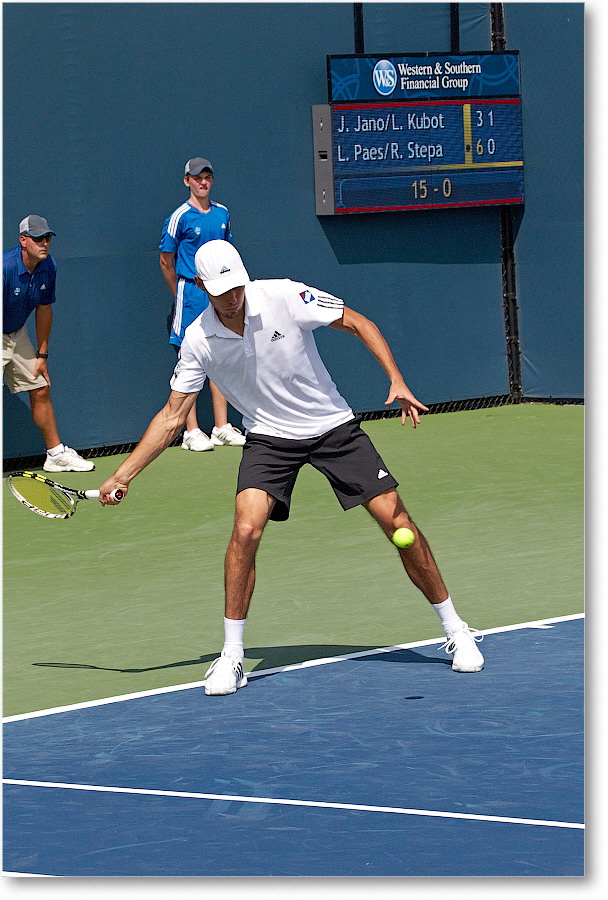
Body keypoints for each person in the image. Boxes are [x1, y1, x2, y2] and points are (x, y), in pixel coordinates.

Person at [99, 240, 484, 695]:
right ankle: (232, 656)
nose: (232, 296)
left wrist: (395, 378)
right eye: (221, 289)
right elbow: (171, 416)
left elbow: (358, 323)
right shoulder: (198, 340)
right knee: (246, 530)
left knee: (395, 520)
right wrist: (123, 474)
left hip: (331, 426)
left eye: (236, 285)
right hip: (268, 438)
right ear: (201, 286)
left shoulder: (284, 295)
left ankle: (456, 629)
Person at [159, 157, 245, 451]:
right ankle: (191, 431)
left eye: (207, 177)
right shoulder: (179, 217)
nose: (203, 182)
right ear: (187, 181)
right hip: (189, 292)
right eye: (197, 178)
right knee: (189, 357)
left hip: (218, 291)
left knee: (219, 351)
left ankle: (221, 426)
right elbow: (165, 261)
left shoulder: (222, 213)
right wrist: (180, 293)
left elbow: (227, 252)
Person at [3, 215, 94, 473]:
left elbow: (44, 309)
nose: (44, 243)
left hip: (16, 333)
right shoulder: (5, 269)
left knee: (40, 387)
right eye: (37, 238)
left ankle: (55, 454)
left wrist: (42, 354)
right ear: (23, 241)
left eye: (47, 238)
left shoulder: (48, 266)